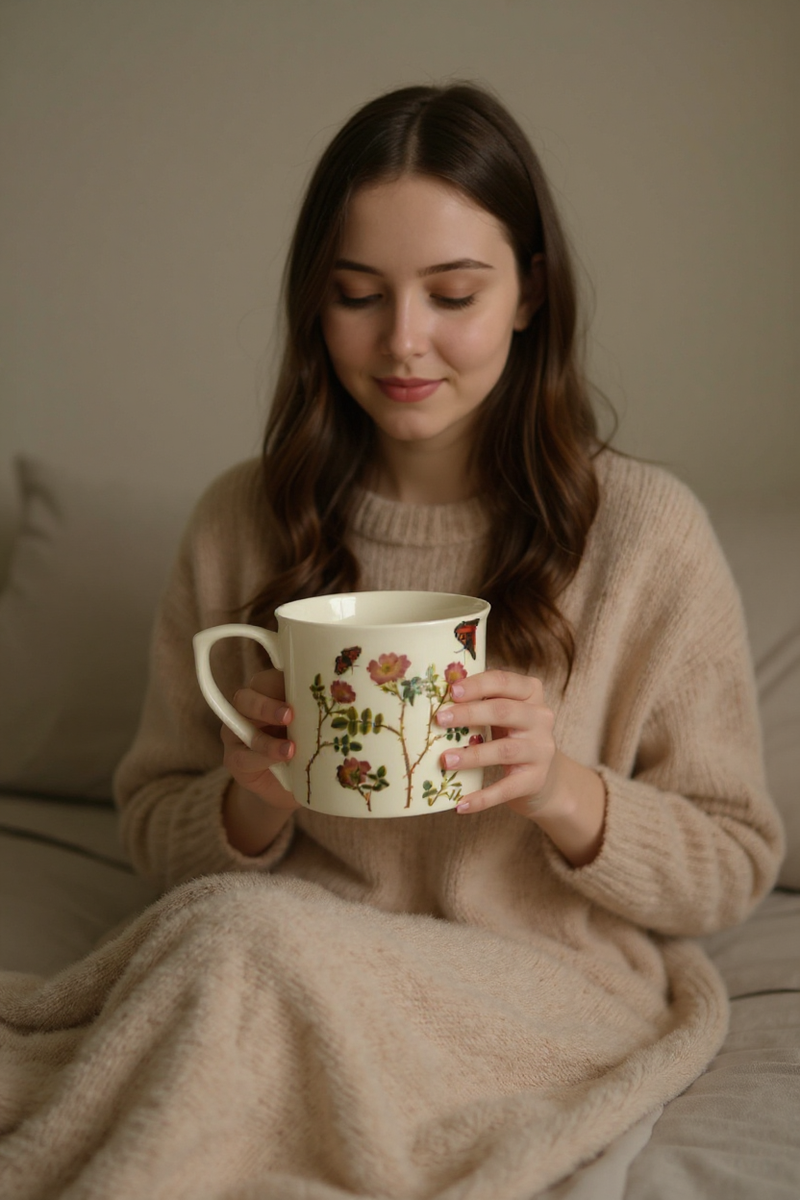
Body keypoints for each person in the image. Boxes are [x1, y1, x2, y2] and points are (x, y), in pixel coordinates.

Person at [1, 83, 784, 1200]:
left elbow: (733, 864)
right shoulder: (240, 520)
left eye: (453, 294)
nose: (403, 341)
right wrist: (252, 799)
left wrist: (560, 789)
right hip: (275, 946)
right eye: (358, 295)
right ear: (315, 309)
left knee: (235, 952)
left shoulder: (644, 537)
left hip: (534, 990)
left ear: (528, 295)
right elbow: (153, 827)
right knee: (234, 938)